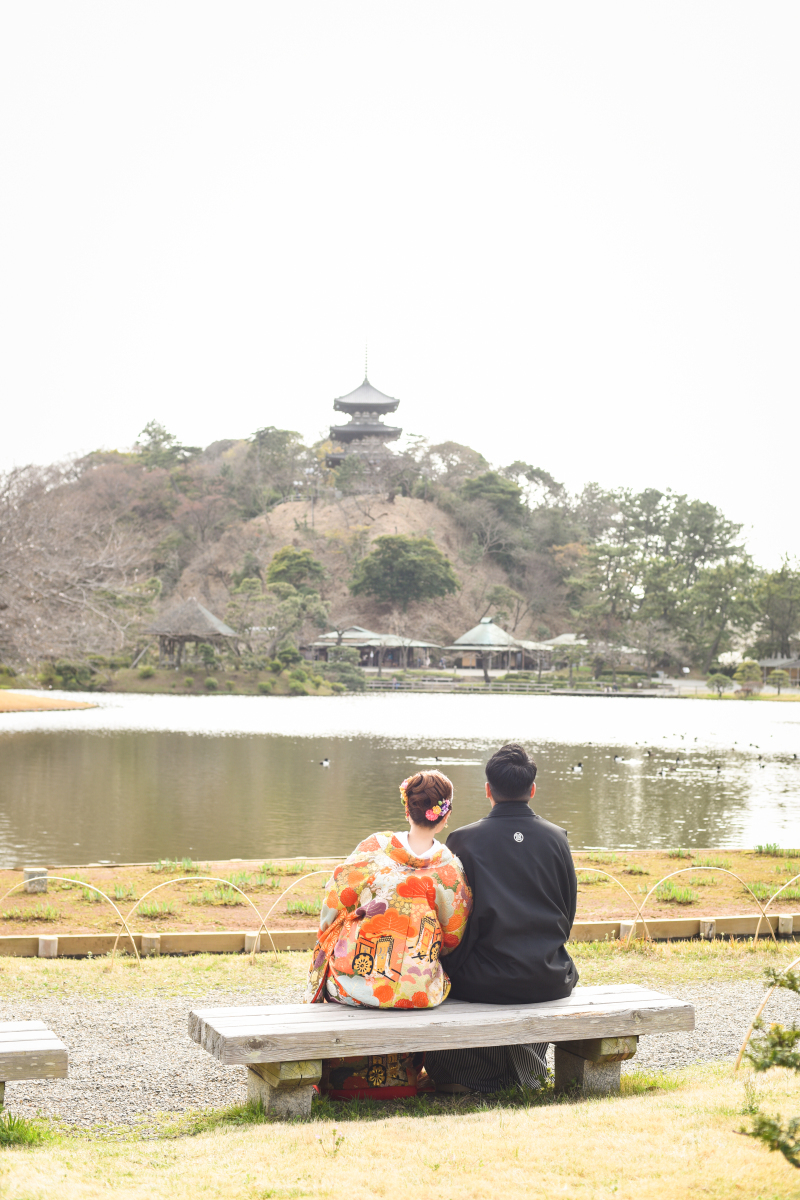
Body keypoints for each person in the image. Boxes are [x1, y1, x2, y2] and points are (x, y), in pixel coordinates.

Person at [306, 770, 473, 1098]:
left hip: (358, 985)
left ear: (406, 808)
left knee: (329, 952)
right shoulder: (451, 869)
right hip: (419, 989)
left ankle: (338, 1080)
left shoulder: (373, 848)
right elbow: (454, 934)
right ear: (445, 815)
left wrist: (331, 934)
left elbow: (332, 901)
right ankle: (403, 1078)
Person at [425, 742, 578, 1094]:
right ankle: (525, 1073)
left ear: (488, 790)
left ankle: (470, 1075)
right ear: (533, 790)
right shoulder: (558, 839)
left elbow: (455, 920)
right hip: (548, 975)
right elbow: (566, 914)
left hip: (483, 979)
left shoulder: (462, 841)